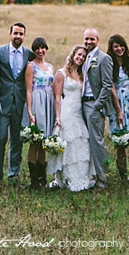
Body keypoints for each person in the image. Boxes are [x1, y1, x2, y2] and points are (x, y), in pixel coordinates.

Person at [47, 45, 95, 191]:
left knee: (81, 141)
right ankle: (65, 177)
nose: (80, 58)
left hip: (78, 111)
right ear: (73, 54)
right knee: (68, 142)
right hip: (66, 110)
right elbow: (57, 97)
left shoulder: (82, 74)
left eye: (83, 57)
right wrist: (57, 117)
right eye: (79, 55)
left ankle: (81, 176)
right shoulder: (62, 73)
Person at [0, 22, 31, 187]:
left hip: (19, 103)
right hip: (2, 103)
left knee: (17, 140)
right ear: (10, 34)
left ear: (24, 36)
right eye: (15, 33)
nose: (18, 37)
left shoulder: (29, 54)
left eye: (21, 34)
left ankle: (13, 176)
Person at [106, 34, 129, 182]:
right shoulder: (110, 64)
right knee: (120, 140)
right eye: (116, 46)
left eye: (121, 46)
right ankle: (123, 176)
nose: (119, 49)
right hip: (118, 102)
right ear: (111, 48)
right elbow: (111, 87)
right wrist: (118, 109)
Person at [82, 28, 114, 189]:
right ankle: (89, 175)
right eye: (86, 39)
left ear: (98, 40)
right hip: (81, 104)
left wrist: (97, 105)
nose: (88, 42)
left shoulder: (104, 58)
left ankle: (103, 178)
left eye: (92, 39)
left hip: (94, 104)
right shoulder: (83, 57)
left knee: (96, 142)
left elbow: (107, 85)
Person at [23, 37, 55, 189]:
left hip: (48, 102)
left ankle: (43, 178)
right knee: (36, 140)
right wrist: (30, 110)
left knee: (44, 142)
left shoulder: (50, 67)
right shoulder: (31, 66)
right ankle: (34, 179)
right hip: (37, 101)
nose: (40, 51)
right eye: (37, 48)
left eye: (43, 48)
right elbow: (28, 90)